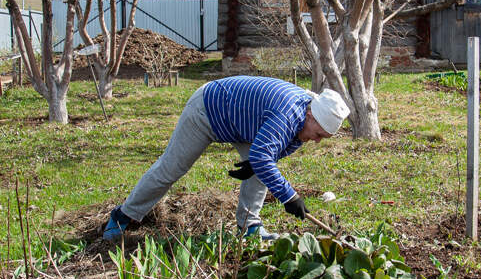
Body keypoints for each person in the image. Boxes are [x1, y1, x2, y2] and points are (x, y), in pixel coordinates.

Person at [103, 75, 350, 241]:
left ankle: (249, 227)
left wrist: (256, 163)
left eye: (323, 138)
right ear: (310, 116)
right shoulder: (288, 114)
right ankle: (124, 214)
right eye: (318, 134)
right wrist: (290, 196)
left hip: (242, 121)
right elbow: (266, 155)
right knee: (172, 168)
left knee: (262, 169)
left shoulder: (303, 119)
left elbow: (270, 155)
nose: (316, 141)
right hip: (209, 109)